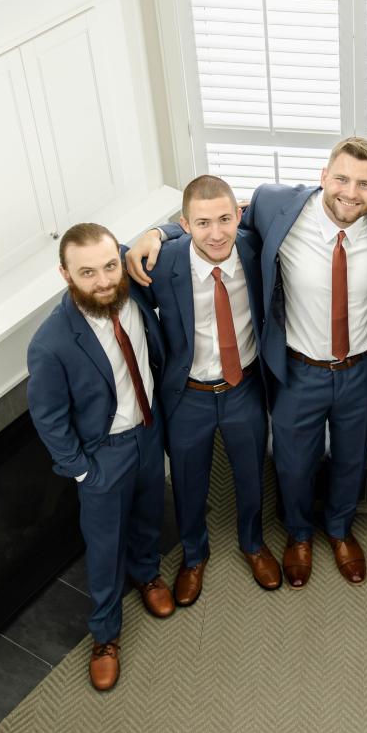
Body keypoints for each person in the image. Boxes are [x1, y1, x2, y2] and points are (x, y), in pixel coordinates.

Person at [126, 137, 367, 588]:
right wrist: (160, 232)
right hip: (298, 369)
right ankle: (298, 535)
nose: (351, 192)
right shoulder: (276, 204)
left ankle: (338, 529)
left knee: (351, 460)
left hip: (364, 369)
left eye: (364, 184)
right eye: (342, 179)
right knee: (295, 463)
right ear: (322, 176)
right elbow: (218, 221)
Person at [26, 223, 174, 691]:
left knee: (150, 514)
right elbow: (48, 417)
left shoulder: (130, 283)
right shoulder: (50, 343)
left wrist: (159, 230)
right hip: (102, 455)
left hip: (149, 432)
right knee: (105, 547)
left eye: (110, 266)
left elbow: (175, 232)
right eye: (87, 272)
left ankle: (148, 575)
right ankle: (105, 635)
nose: (104, 280)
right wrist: (83, 470)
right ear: (65, 274)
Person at [131, 175, 280, 607]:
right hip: (187, 393)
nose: (216, 233)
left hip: (245, 387)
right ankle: (195, 555)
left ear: (239, 216)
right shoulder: (162, 263)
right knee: (188, 481)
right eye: (202, 223)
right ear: (185, 223)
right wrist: (157, 233)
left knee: (251, 474)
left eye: (224, 219)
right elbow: (116, 258)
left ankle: (253, 544)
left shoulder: (256, 249)